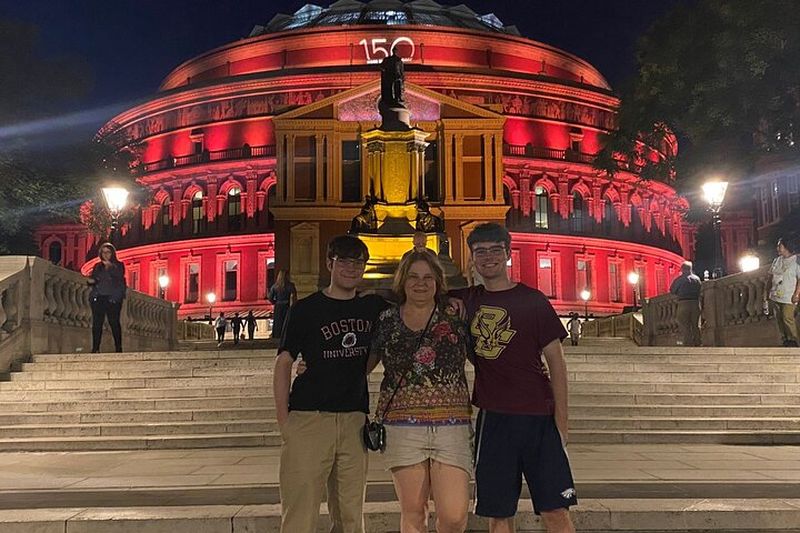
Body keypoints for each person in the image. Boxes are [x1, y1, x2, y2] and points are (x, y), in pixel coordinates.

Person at [451, 223, 576, 533]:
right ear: (472, 258)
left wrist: (561, 423)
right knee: (498, 513)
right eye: (480, 251)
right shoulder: (467, 300)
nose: (488, 257)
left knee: (555, 510)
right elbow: (420, 293)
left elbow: (557, 363)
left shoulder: (533, 300)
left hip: (539, 417)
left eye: (496, 250)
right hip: (494, 419)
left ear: (508, 254)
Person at [273, 235, 388, 533]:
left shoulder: (373, 307)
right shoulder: (305, 309)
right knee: (300, 512)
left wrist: (362, 369)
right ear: (329, 264)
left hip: (354, 421)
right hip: (309, 418)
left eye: (358, 263)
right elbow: (284, 361)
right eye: (344, 261)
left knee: (351, 514)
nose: (351, 268)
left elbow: (415, 301)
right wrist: (285, 422)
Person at [367, 250, 472, 532]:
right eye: (413, 277)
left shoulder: (455, 315)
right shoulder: (387, 319)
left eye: (428, 277)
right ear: (402, 281)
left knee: (454, 516)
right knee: (413, 512)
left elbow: (486, 356)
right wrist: (310, 367)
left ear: (438, 282)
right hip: (401, 426)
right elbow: (360, 365)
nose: (420, 283)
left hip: (452, 426)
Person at [86, 242, 127, 353]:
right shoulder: (97, 266)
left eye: (108, 252)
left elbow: (119, 279)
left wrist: (110, 267)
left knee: (114, 322)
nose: (105, 254)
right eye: (103, 252)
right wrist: (91, 281)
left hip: (113, 298)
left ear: (112, 253)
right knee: (97, 323)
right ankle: (95, 348)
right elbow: (94, 279)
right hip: (99, 297)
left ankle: (118, 348)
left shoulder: (118, 265)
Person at [767, 236, 800, 347]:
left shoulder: (796, 260)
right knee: (779, 318)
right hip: (776, 294)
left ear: (786, 247)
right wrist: (767, 292)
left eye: (779, 246)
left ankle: (794, 340)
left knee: (787, 317)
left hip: (789, 295)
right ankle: (785, 339)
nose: (777, 248)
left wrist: (797, 294)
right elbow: (770, 277)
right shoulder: (777, 260)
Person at [669, 261, 702, 346]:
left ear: (682, 269)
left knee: (684, 325)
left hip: (683, 303)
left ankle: (688, 343)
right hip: (695, 303)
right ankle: (698, 342)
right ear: (691, 269)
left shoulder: (679, 280)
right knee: (696, 325)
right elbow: (700, 290)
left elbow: (672, 290)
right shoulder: (697, 279)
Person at [268, 270, 297, 338]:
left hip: (278, 306)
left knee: (278, 323)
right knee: (286, 322)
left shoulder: (275, 286)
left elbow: (270, 298)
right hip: (286, 305)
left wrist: (275, 302)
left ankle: (277, 336)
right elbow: (294, 296)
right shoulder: (290, 285)